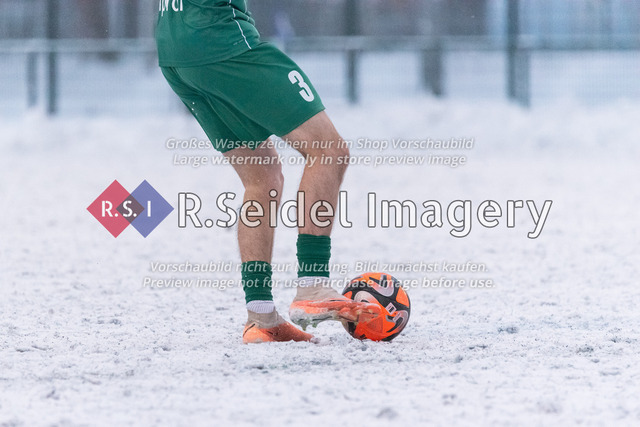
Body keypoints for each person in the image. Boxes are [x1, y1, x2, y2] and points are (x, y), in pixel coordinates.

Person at [156, 0, 378, 343]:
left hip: (174, 51)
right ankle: (313, 284)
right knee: (328, 150)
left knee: (262, 177)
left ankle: (260, 315)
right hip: (222, 42)